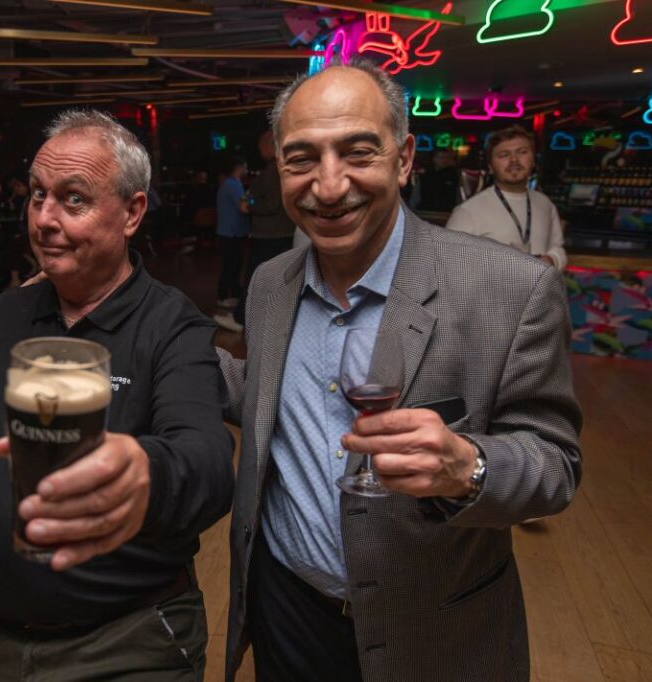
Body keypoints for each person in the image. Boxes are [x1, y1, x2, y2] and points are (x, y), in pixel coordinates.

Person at [219, 59, 582, 681]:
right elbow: (265, 395)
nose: (329, 186)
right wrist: (132, 320)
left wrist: (469, 467)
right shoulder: (270, 283)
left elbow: (555, 464)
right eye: (301, 159)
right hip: (285, 608)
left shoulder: (514, 288)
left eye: (357, 152)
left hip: (430, 626)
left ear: (405, 159)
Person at [0, 109, 234, 681]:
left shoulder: (170, 325)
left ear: (132, 212)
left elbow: (206, 461)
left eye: (73, 200)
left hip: (126, 643)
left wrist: (145, 471)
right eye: (36, 196)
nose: (44, 219)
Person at [447, 125, 567, 270]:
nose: (514, 159)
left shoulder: (545, 204)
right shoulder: (468, 212)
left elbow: (557, 248)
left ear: (533, 160)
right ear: (490, 166)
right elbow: (448, 266)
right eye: (504, 155)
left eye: (522, 152)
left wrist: (552, 260)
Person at [214, 131, 294, 333]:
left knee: (255, 278)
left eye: (261, 147)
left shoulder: (274, 171)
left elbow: (270, 204)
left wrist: (249, 204)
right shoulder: (279, 169)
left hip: (270, 234)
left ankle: (241, 319)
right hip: (272, 233)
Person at [215, 157, 251, 308]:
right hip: (232, 233)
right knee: (233, 266)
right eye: (245, 166)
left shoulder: (228, 184)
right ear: (239, 167)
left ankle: (226, 296)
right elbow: (243, 207)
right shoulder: (233, 185)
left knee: (230, 265)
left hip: (227, 232)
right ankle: (229, 297)